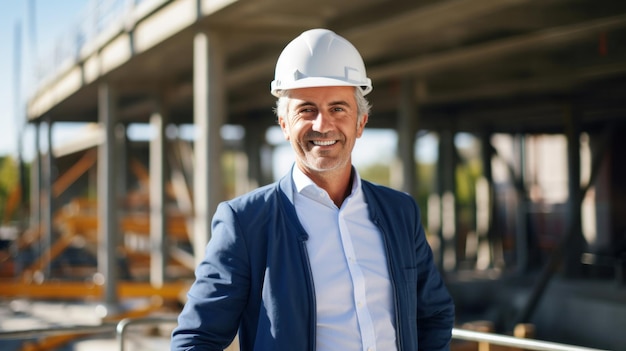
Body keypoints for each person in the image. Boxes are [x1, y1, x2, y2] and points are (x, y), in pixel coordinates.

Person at [171, 28, 455, 351]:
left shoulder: (400, 213)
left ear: (360, 122)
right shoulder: (245, 223)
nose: (323, 125)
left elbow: (433, 314)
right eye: (306, 109)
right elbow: (195, 340)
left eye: (338, 109)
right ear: (284, 124)